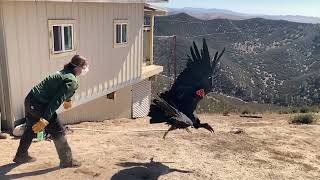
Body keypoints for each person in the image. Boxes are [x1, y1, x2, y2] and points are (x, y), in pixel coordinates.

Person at [13, 55, 89, 168]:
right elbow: (56, 101)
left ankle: (21, 155)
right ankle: (67, 161)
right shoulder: (71, 80)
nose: (86, 69)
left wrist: (68, 99)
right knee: (58, 131)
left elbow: (61, 88)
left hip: (31, 99)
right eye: (84, 66)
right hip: (40, 104)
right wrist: (45, 119)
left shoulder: (66, 72)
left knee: (31, 128)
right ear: (77, 67)